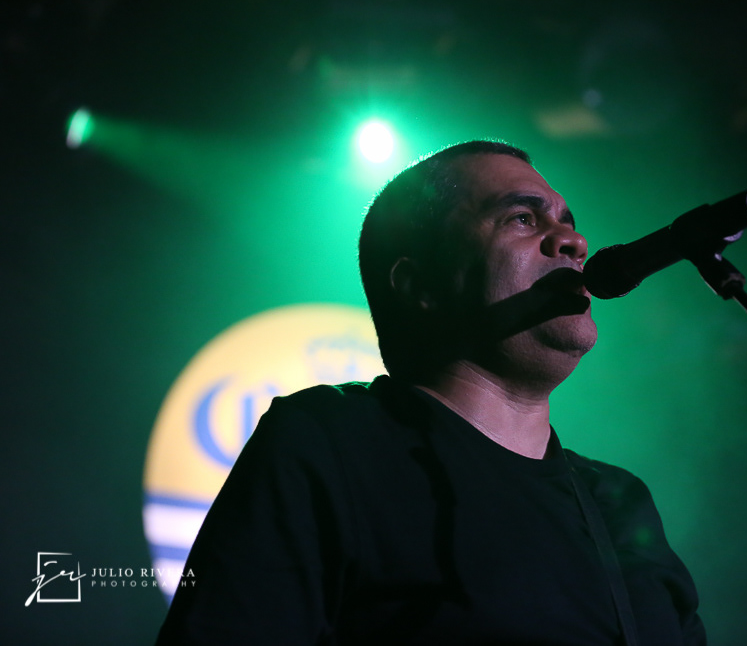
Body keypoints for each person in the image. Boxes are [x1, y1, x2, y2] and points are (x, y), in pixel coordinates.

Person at [155, 140, 706, 645]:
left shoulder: (618, 503)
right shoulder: (330, 444)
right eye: (521, 217)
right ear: (419, 285)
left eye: (567, 222)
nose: (574, 242)